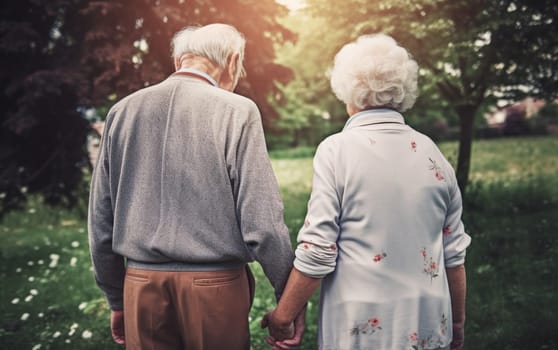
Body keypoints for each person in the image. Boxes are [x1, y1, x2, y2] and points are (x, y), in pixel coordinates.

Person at [88, 23, 299, 350]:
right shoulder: (237, 111)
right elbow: (263, 223)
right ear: (232, 61)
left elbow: (101, 217)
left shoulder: (121, 112)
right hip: (214, 287)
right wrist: (288, 300)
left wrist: (116, 298)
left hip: (140, 284)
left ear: (179, 62)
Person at [261, 34, 472, 350]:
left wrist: (283, 315)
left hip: (362, 328)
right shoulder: (432, 153)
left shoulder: (337, 151)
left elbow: (319, 248)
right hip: (428, 322)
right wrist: (456, 323)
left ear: (348, 90)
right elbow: (453, 254)